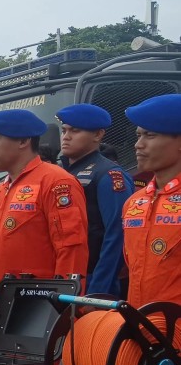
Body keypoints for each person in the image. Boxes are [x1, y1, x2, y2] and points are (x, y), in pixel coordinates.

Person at [0, 110, 89, 326]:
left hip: (37, 312)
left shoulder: (56, 182)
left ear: (23, 141)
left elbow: (71, 250)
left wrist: (63, 310)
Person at [57, 104, 135, 297]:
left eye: (75, 131)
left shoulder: (108, 174)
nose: (66, 136)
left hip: (92, 278)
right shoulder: (61, 173)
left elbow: (117, 234)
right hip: (64, 276)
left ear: (98, 135)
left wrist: (99, 289)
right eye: (64, 130)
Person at [120, 94, 181, 307]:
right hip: (141, 328)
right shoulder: (135, 202)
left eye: (150, 135)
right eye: (138, 135)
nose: (138, 145)